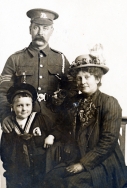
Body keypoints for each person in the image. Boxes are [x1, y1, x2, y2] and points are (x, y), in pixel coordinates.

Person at [41, 44, 127, 188]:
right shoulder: (75, 102)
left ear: (98, 79)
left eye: (87, 77)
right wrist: (52, 135)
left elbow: (108, 141)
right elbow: (63, 125)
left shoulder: (109, 102)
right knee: (51, 178)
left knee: (72, 184)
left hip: (103, 163)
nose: (82, 82)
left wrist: (82, 164)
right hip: (77, 157)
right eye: (79, 78)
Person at [0, 8, 75, 133]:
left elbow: (71, 91)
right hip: (21, 123)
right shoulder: (15, 59)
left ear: (51, 31)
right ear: (30, 29)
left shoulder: (61, 59)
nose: (40, 32)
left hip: (53, 124)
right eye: (36, 27)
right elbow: (2, 92)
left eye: (45, 28)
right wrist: (5, 115)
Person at [1, 83, 52, 188]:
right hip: (18, 173)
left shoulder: (41, 119)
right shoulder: (9, 125)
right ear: (12, 107)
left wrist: (51, 136)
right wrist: (10, 169)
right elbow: (4, 150)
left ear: (32, 105)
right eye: (19, 105)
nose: (24, 109)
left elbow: (56, 129)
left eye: (27, 105)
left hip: (40, 170)